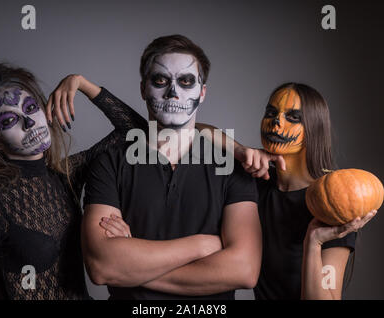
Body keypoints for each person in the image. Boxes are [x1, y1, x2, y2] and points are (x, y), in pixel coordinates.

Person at [80, 34, 263, 300]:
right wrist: (202, 246)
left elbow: (244, 270)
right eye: (161, 80)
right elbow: (101, 267)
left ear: (202, 92)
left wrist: (131, 268)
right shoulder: (109, 163)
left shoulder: (233, 168)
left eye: (186, 81)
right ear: (143, 88)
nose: (173, 92)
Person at [0, 63, 146, 299]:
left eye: (31, 107)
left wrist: (81, 83)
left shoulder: (67, 175)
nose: (29, 122)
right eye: (9, 121)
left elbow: (137, 132)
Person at [197, 83, 377, 299]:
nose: (276, 122)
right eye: (271, 113)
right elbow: (191, 130)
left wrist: (313, 242)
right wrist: (240, 150)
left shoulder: (333, 201)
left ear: (313, 128)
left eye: (293, 117)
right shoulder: (254, 183)